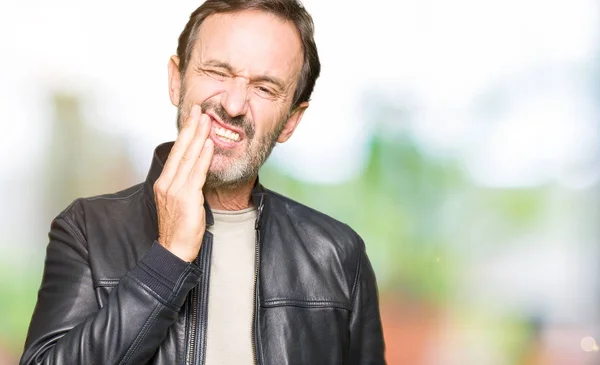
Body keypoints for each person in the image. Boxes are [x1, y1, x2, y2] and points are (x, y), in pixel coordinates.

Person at [19, 0, 386, 364]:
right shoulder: (86, 229)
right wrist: (167, 260)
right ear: (176, 81)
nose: (234, 104)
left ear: (291, 120)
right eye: (218, 72)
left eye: (265, 88)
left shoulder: (338, 256)